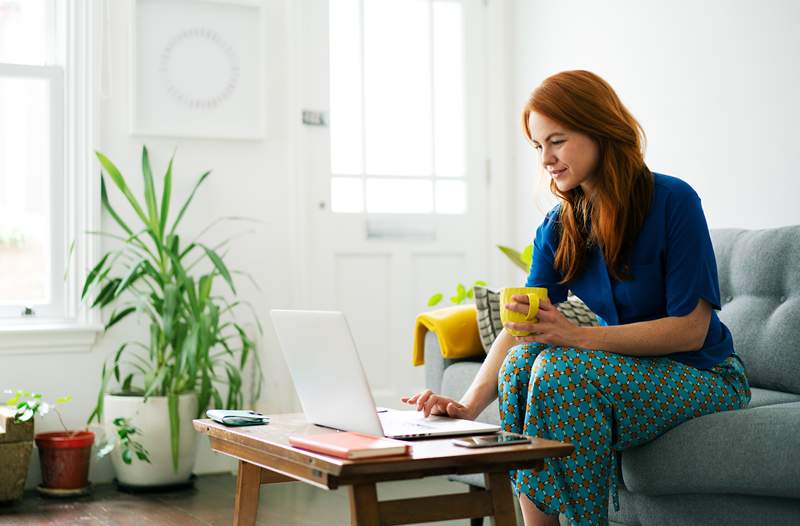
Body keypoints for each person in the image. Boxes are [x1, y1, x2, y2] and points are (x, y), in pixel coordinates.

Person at [401, 70, 751, 526]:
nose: (546, 158)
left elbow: (691, 329)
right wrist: (468, 406)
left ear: (599, 130)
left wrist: (575, 337)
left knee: (560, 367)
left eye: (557, 141)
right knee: (523, 363)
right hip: (628, 371)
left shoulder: (673, 202)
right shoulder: (559, 226)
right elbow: (520, 328)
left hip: (705, 375)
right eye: (538, 146)